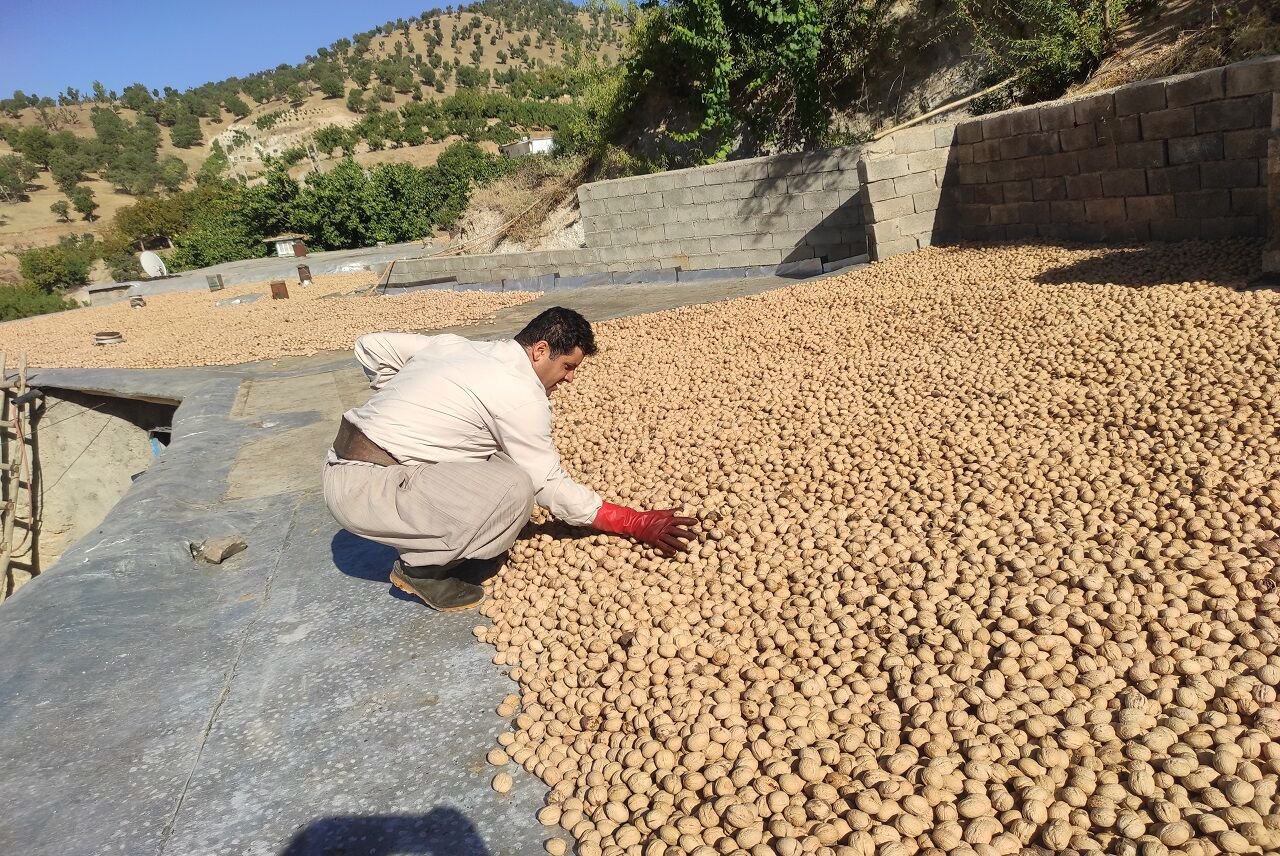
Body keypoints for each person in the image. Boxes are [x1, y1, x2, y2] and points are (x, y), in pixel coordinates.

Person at [323, 306, 698, 612]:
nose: (569, 380)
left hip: (345, 468)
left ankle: (432, 527)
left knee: (498, 459)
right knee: (516, 487)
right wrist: (631, 521)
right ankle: (423, 570)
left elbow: (369, 346)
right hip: (365, 492)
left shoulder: (456, 346)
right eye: (567, 367)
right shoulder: (520, 394)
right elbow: (547, 483)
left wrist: (404, 405)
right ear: (539, 351)